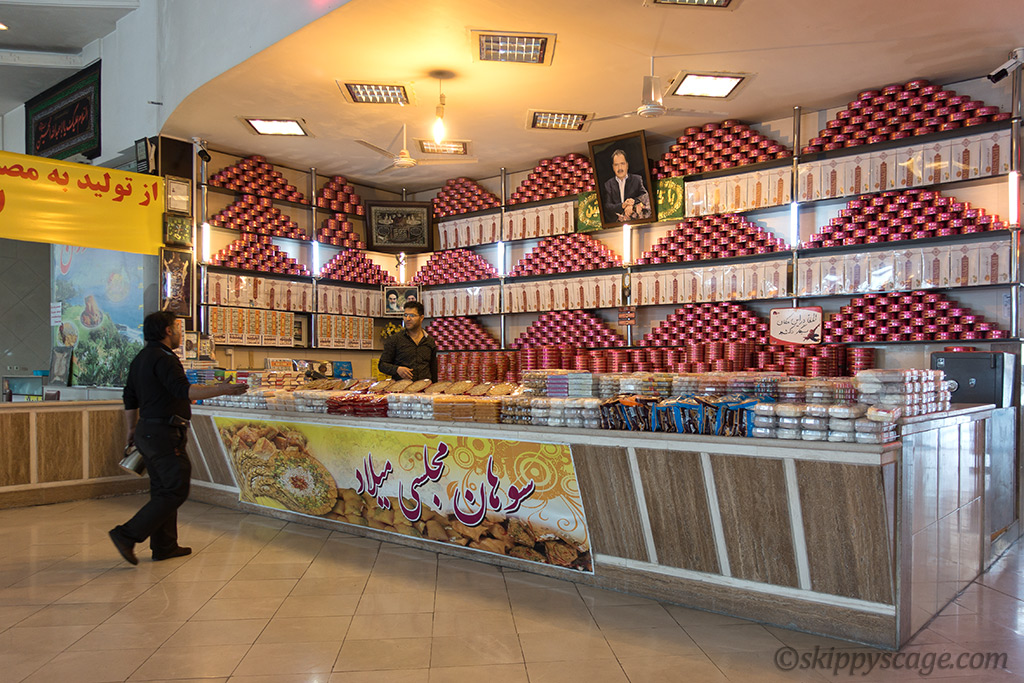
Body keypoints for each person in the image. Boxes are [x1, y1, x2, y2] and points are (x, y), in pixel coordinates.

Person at [109, 311, 248, 565]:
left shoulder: (141, 358)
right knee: (176, 489)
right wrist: (224, 389)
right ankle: (126, 534)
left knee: (162, 489)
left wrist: (131, 429)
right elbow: (185, 391)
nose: (180, 333)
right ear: (167, 331)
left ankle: (165, 546)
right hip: (165, 433)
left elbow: (129, 396)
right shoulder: (165, 359)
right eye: (177, 327)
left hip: (147, 431)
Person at [378, 300, 437, 382]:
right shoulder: (395, 339)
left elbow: (433, 369)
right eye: (405, 315)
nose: (407, 319)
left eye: (412, 315)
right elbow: (382, 365)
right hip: (401, 388)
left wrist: (434, 386)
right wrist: (397, 369)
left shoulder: (429, 341)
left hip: (425, 388)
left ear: (421, 318)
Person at [602, 148, 651, 222]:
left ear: (627, 165)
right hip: (616, 223)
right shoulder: (608, 184)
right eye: (616, 165)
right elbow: (607, 206)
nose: (620, 168)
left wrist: (632, 204)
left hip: (636, 221)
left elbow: (645, 196)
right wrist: (622, 205)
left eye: (622, 164)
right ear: (613, 167)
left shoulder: (637, 179)